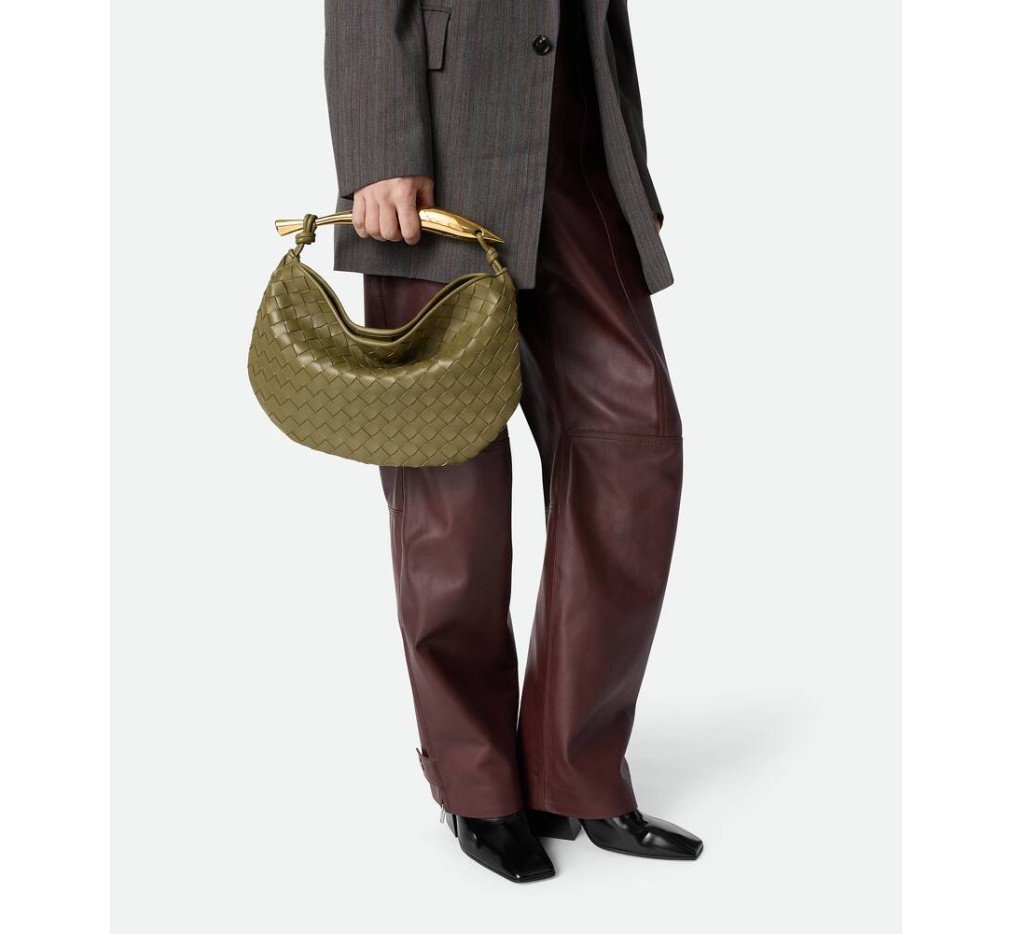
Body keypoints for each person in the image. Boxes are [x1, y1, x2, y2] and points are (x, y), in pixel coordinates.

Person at [325, 0, 703, 883]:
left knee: (632, 441)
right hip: (440, 157)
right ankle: (476, 783)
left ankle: (576, 771)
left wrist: (629, 170)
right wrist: (380, 150)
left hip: (578, 154)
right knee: (448, 487)